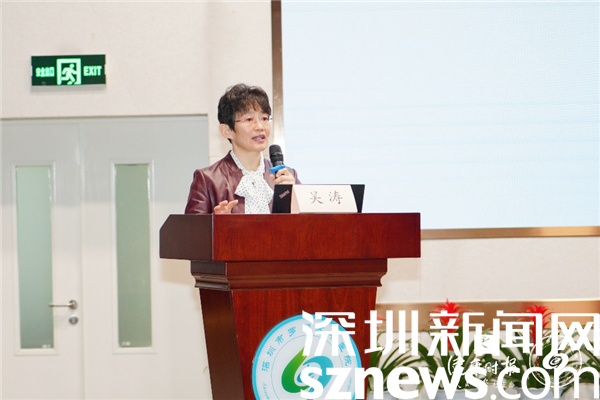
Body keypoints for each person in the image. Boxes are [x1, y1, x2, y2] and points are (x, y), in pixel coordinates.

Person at [185, 84, 300, 214]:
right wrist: (215, 222)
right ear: (227, 130)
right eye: (249, 119)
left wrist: (295, 199)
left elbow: (308, 224)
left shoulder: (288, 176)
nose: (260, 127)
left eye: (264, 118)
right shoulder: (208, 179)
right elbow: (190, 227)